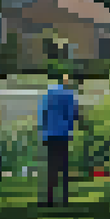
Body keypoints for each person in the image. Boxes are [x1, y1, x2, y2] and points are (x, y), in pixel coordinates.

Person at [38, 71, 80, 207]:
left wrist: (43, 132)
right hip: (63, 134)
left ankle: (50, 200)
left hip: (50, 135)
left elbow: (43, 115)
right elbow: (74, 115)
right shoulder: (69, 95)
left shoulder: (47, 95)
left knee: (52, 168)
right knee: (64, 167)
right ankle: (64, 199)